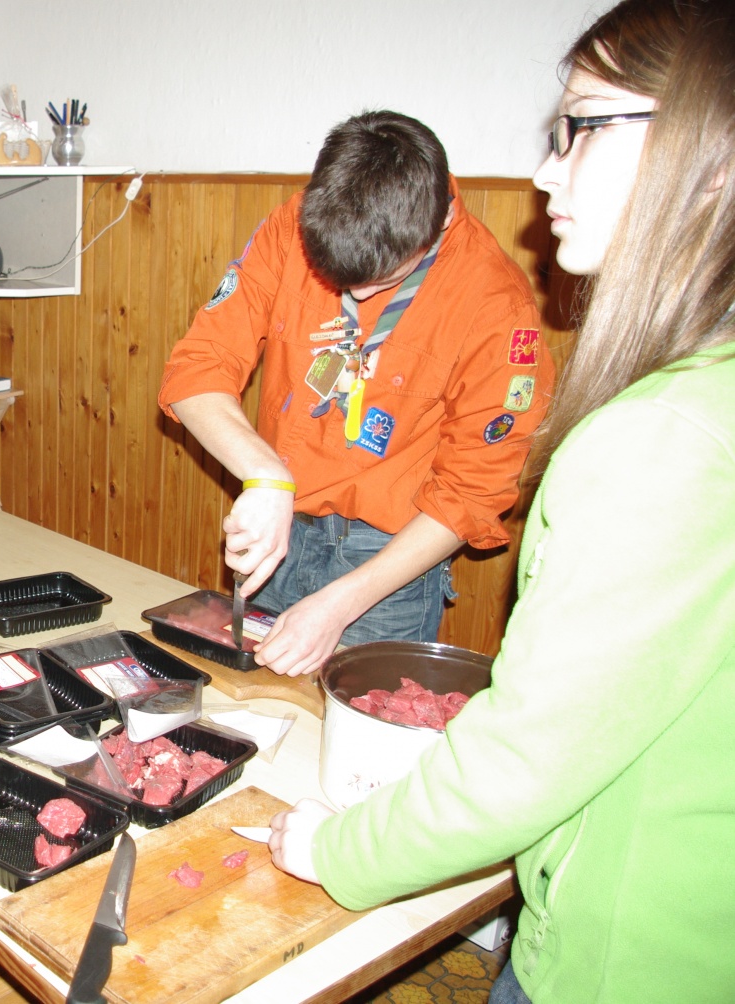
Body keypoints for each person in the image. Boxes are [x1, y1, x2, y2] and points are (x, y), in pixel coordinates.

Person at [269, 2, 735, 1001]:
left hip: (623, 958)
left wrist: (342, 850)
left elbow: (527, 751)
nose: (545, 172)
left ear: (714, 152)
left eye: (582, 127)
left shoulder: (659, 431)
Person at [159, 111, 554, 676]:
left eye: (384, 280)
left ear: (442, 219)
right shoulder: (292, 224)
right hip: (281, 526)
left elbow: (473, 492)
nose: (358, 295)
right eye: (340, 278)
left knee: (357, 725)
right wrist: (265, 476)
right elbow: (198, 368)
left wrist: (343, 603)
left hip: (387, 565)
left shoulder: (496, 303)